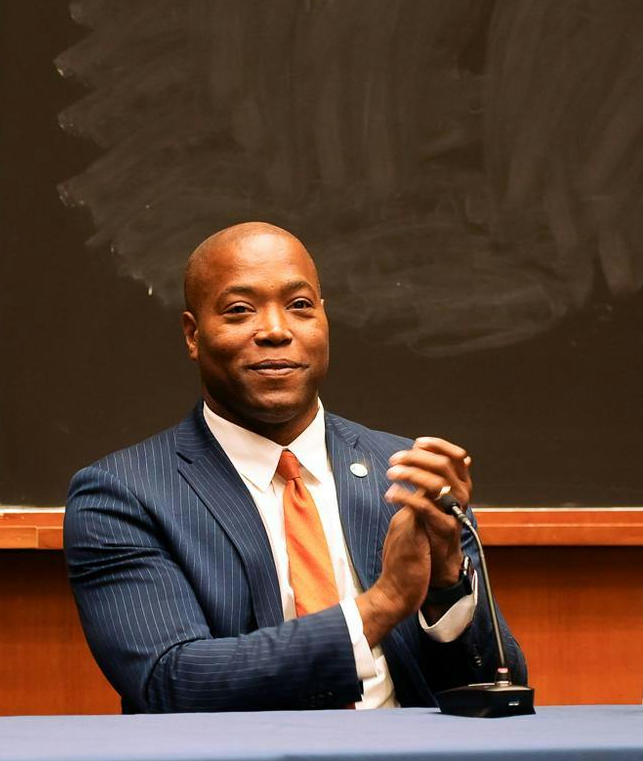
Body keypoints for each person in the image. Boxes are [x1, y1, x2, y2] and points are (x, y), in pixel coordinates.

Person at [64, 221, 525, 712]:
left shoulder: (410, 476)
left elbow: (497, 691)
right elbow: (172, 681)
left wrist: (446, 585)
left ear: (324, 321)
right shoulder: (122, 494)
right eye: (240, 310)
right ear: (193, 335)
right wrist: (381, 604)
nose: (277, 330)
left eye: (299, 306)